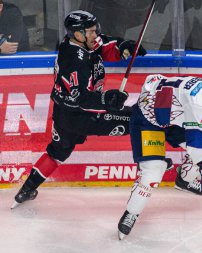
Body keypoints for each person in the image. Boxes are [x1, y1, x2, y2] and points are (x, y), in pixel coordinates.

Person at [10, 10, 149, 209]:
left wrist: (122, 46)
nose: (96, 35)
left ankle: (26, 190)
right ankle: (155, 166)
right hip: (84, 115)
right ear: (78, 34)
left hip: (63, 114)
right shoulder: (74, 61)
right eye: (91, 31)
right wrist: (108, 98)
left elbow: (104, 45)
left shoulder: (80, 43)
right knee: (139, 119)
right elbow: (82, 99)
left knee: (57, 153)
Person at [117, 70, 202, 239]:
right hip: (148, 121)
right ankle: (131, 212)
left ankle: (185, 180)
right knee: (153, 173)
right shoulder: (200, 103)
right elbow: (196, 146)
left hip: (174, 119)